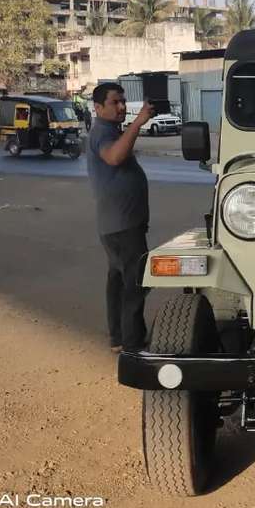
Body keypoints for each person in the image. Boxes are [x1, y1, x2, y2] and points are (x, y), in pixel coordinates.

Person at [87, 82, 156, 352]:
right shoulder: (102, 133)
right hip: (122, 226)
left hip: (117, 225)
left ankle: (118, 338)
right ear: (98, 107)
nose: (122, 107)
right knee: (135, 284)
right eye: (115, 102)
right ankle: (132, 343)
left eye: (123, 101)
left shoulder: (110, 130)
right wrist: (138, 123)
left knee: (118, 282)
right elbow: (115, 157)